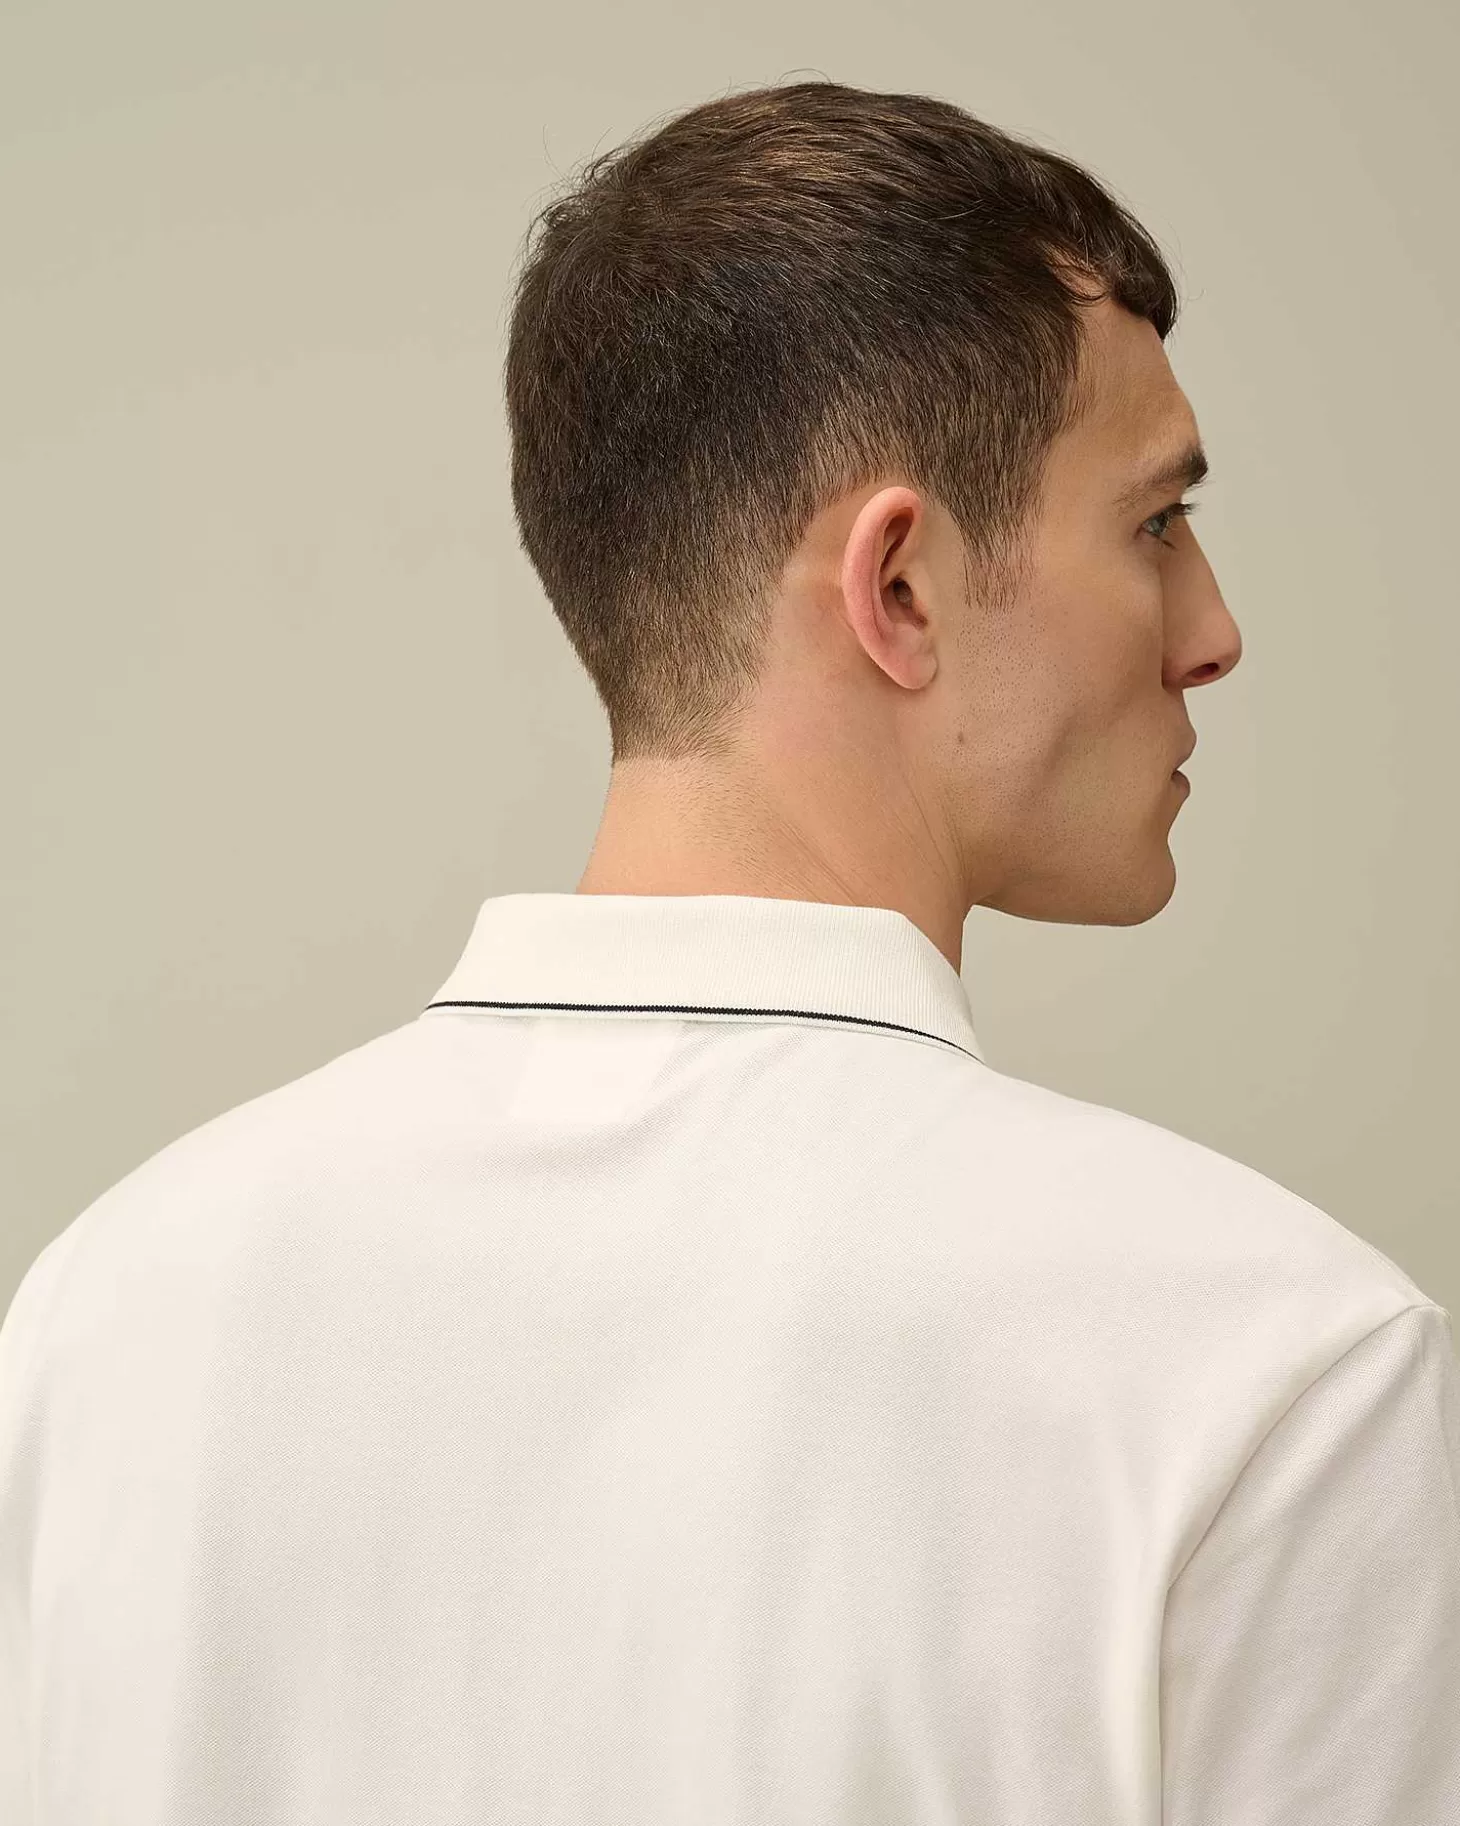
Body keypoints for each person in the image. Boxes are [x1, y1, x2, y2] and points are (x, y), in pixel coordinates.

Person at [2, 77, 1456, 1825]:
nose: (1211, 631)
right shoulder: (1272, 1370)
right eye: (1156, 522)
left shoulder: (104, 1312)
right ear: (898, 587)